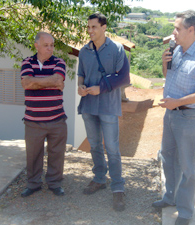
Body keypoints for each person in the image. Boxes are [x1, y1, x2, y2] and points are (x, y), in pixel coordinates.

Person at [152, 10, 195, 225]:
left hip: (189, 117)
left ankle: (186, 212)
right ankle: (170, 197)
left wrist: (176, 103)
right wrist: (164, 62)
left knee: (188, 166)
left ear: (191, 29)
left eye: (177, 28)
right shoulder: (176, 51)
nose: (173, 33)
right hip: (171, 115)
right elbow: (167, 76)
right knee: (168, 158)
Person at [77, 13, 126, 211]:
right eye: (88, 27)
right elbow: (80, 74)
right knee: (95, 145)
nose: (90, 31)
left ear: (104, 27)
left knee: (112, 148)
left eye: (94, 27)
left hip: (108, 106)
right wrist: (80, 86)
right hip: (88, 105)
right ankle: (99, 178)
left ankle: (117, 187)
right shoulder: (83, 51)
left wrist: (101, 88)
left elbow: (123, 78)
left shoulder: (117, 49)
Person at [20, 31, 67, 197]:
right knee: (33, 155)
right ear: (36, 46)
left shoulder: (59, 62)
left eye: (52, 45)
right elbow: (26, 83)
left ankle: (54, 183)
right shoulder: (27, 62)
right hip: (33, 121)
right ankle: (33, 184)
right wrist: (50, 81)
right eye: (46, 45)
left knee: (57, 154)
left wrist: (36, 81)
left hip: (57, 120)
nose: (50, 48)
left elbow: (58, 80)